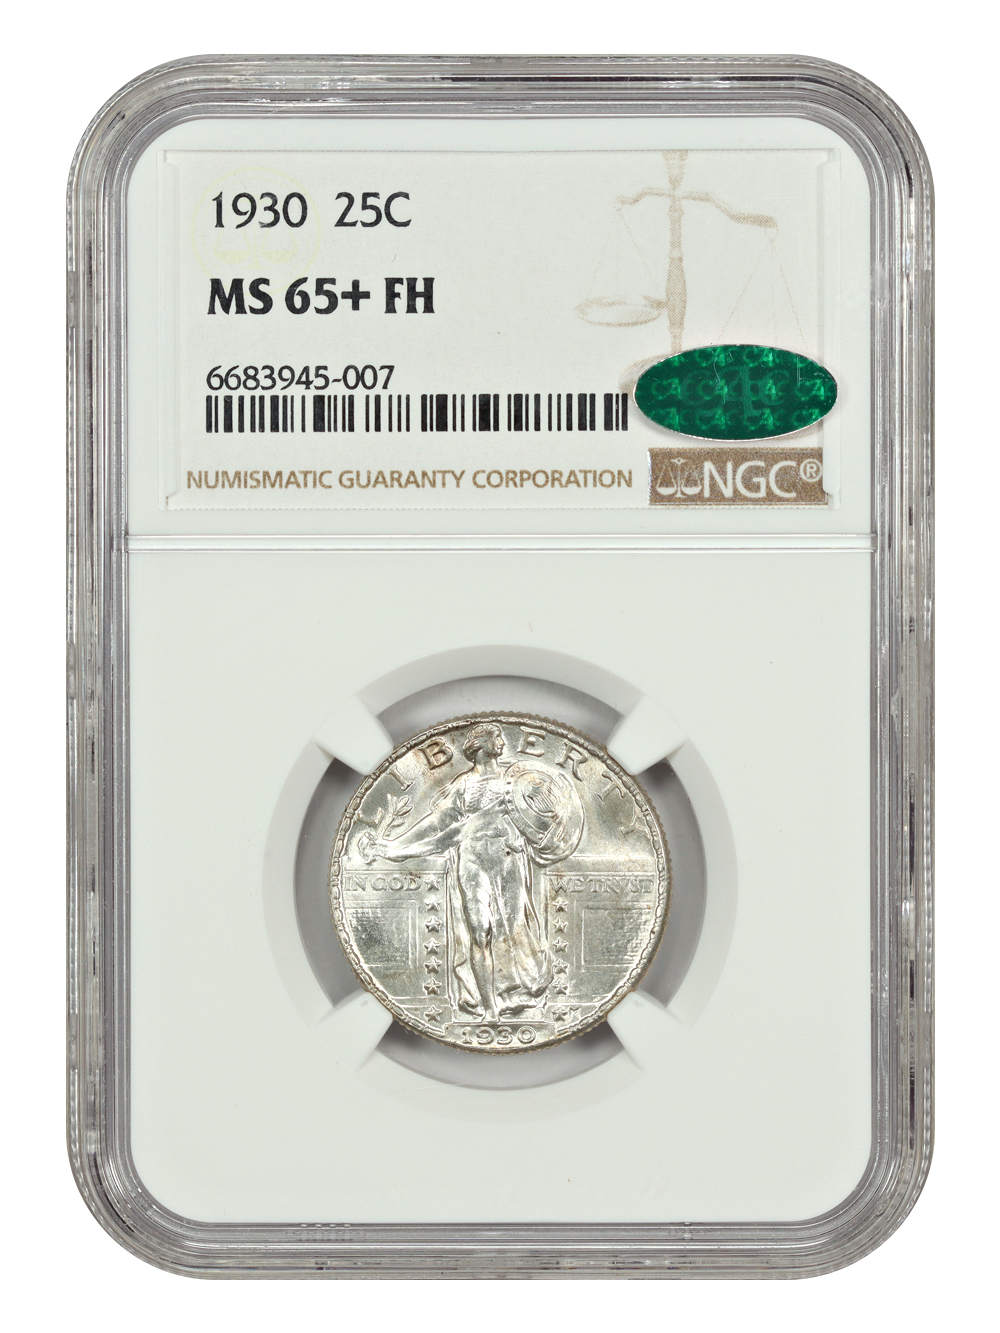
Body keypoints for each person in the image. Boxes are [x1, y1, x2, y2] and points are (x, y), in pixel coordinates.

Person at [358, 722, 574, 1021]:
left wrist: (394, 849)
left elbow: (550, 815)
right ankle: (488, 1008)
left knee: (512, 929)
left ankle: (513, 994)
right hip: (472, 860)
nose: (501, 741)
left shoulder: (516, 780)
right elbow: (437, 823)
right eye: (494, 736)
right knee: (479, 932)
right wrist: (394, 844)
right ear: (478, 744)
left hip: (508, 858)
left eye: (500, 737)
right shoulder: (463, 784)